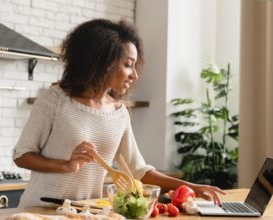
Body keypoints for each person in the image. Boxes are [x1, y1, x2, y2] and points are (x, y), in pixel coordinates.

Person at [13, 18, 225, 208]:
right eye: (127, 65)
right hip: (40, 210)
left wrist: (192, 187)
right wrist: (66, 165)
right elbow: (22, 155)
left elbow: (138, 170)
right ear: (103, 62)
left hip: (85, 212)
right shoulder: (55, 100)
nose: (134, 75)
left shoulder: (118, 113)